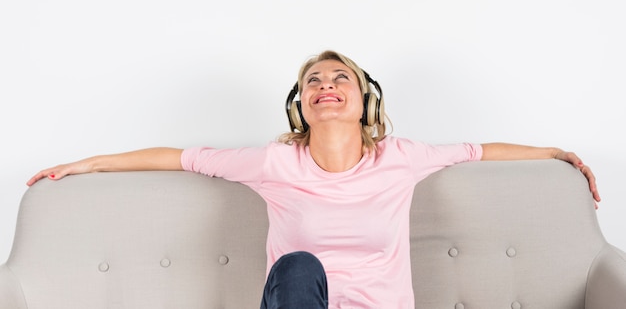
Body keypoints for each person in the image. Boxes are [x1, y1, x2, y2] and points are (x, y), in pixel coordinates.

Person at [27, 50, 600, 309]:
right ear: (300, 104)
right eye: (313, 81)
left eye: (339, 77)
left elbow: (480, 150)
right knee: (299, 267)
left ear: (362, 97)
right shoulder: (274, 164)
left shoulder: (402, 157)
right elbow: (180, 157)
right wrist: (88, 163)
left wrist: (557, 152)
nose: (326, 85)